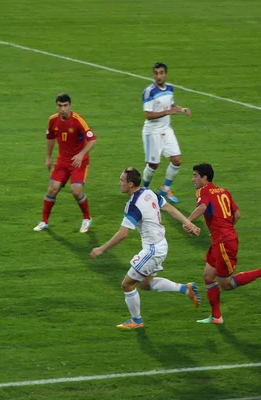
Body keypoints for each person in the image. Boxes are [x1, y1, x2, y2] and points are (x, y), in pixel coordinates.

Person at [90, 167, 201, 329]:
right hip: (161, 244)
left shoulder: (133, 205)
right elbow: (169, 208)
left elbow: (123, 234)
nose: (119, 183)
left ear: (131, 184)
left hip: (152, 250)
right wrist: (188, 223)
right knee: (145, 284)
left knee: (127, 285)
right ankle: (186, 288)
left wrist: (101, 249)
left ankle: (136, 321)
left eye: (122, 181)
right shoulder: (149, 193)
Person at [187, 163, 261, 325]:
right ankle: (216, 317)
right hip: (221, 239)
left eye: (195, 175)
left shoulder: (203, 191)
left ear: (205, 178)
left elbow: (203, 207)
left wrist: (188, 222)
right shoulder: (224, 191)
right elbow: (237, 215)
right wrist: (224, 230)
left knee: (227, 283)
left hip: (223, 243)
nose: (193, 179)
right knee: (208, 276)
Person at [33, 93, 96, 233]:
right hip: (62, 161)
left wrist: (81, 155)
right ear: (56, 106)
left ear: (70, 106)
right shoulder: (53, 120)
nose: (62, 109)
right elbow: (50, 138)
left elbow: (92, 140)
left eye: (65, 106)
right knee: (52, 189)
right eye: (60, 106)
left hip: (78, 162)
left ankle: (87, 218)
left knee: (76, 190)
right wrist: (48, 157)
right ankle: (44, 221)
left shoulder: (78, 120)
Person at [140, 62, 192, 203]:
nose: (159, 76)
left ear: (166, 74)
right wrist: (168, 112)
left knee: (177, 160)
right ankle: (143, 190)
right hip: (152, 132)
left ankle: (165, 188)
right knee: (153, 165)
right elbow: (148, 115)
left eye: (161, 73)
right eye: (156, 73)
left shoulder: (170, 88)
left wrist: (181, 109)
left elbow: (171, 105)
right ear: (153, 74)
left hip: (166, 130)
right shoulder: (149, 92)